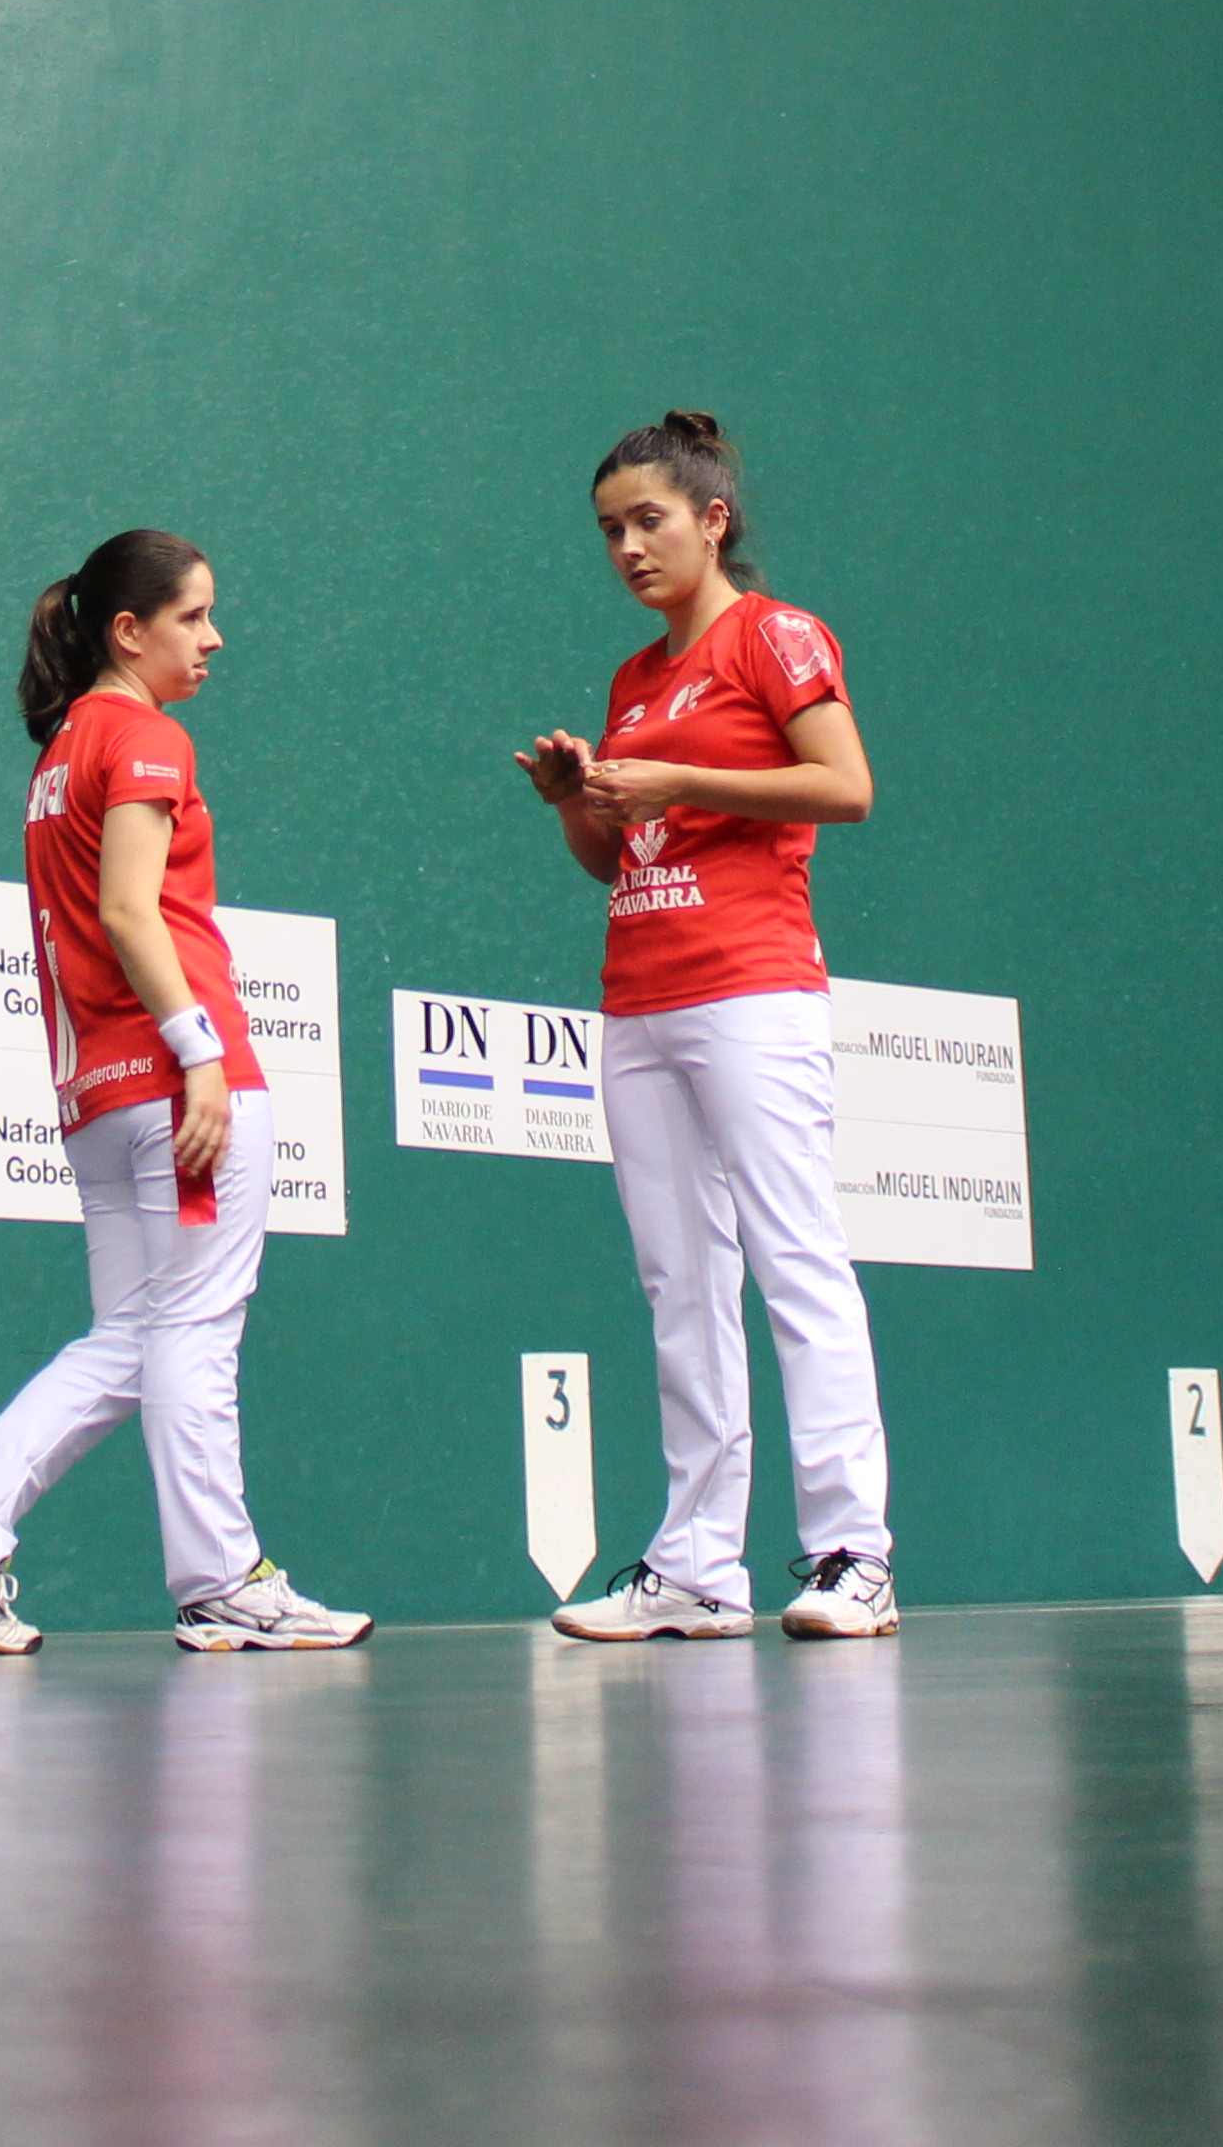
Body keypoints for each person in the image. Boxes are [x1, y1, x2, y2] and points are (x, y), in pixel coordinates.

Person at [0, 529, 368, 1656]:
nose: (214, 638)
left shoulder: (59, 753)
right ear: (127, 631)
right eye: (194, 617)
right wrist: (199, 1052)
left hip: (97, 1100)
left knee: (135, 1338)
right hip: (178, 1083)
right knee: (194, 1338)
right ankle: (225, 1583)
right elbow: (127, 911)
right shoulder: (147, 738)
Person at [512, 414, 898, 1640]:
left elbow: (846, 786)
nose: (627, 548)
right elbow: (611, 860)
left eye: (649, 522)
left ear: (712, 518)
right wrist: (581, 801)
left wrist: (681, 780)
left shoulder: (774, 635)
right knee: (683, 1283)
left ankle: (853, 1554)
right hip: (638, 1002)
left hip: (753, 988)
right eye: (609, 531)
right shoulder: (633, 681)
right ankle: (695, 1568)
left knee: (796, 1262)